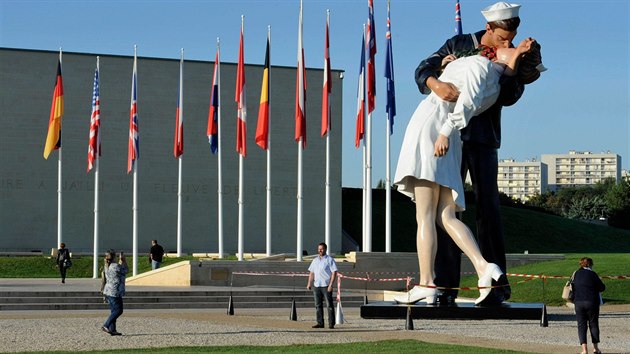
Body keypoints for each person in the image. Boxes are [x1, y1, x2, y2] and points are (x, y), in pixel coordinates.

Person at [414, 1, 527, 305]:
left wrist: (515, 69)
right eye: (503, 38)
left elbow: (510, 96)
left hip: (483, 137)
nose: (508, 43)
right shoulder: (460, 43)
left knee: (488, 208)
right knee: (446, 209)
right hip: (449, 138)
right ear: (489, 28)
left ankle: (495, 287)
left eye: (511, 37)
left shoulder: (514, 53)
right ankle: (446, 287)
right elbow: (422, 68)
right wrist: (435, 82)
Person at [572, 257, 606, 354]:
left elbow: (572, 287)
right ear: (590, 264)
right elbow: (602, 287)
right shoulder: (593, 274)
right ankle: (595, 348)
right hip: (591, 302)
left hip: (578, 302)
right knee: (593, 324)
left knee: (581, 325)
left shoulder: (575, 274)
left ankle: (584, 350)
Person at [306, 243, 338, 329]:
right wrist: (309, 283)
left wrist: (331, 285)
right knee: (318, 305)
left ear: (325, 249)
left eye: (322, 249)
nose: (320, 250)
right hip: (317, 286)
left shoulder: (329, 260)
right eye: (319, 249)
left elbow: (334, 272)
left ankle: (331, 323)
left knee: (329, 305)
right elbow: (312, 272)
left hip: (326, 286)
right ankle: (320, 322)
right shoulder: (315, 260)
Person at [101, 250, 128, 336]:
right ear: (114, 257)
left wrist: (121, 263)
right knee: (119, 310)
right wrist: (124, 260)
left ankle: (113, 330)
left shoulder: (107, 265)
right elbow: (126, 270)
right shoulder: (115, 266)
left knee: (113, 311)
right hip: (115, 291)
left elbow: (119, 271)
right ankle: (106, 325)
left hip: (108, 290)